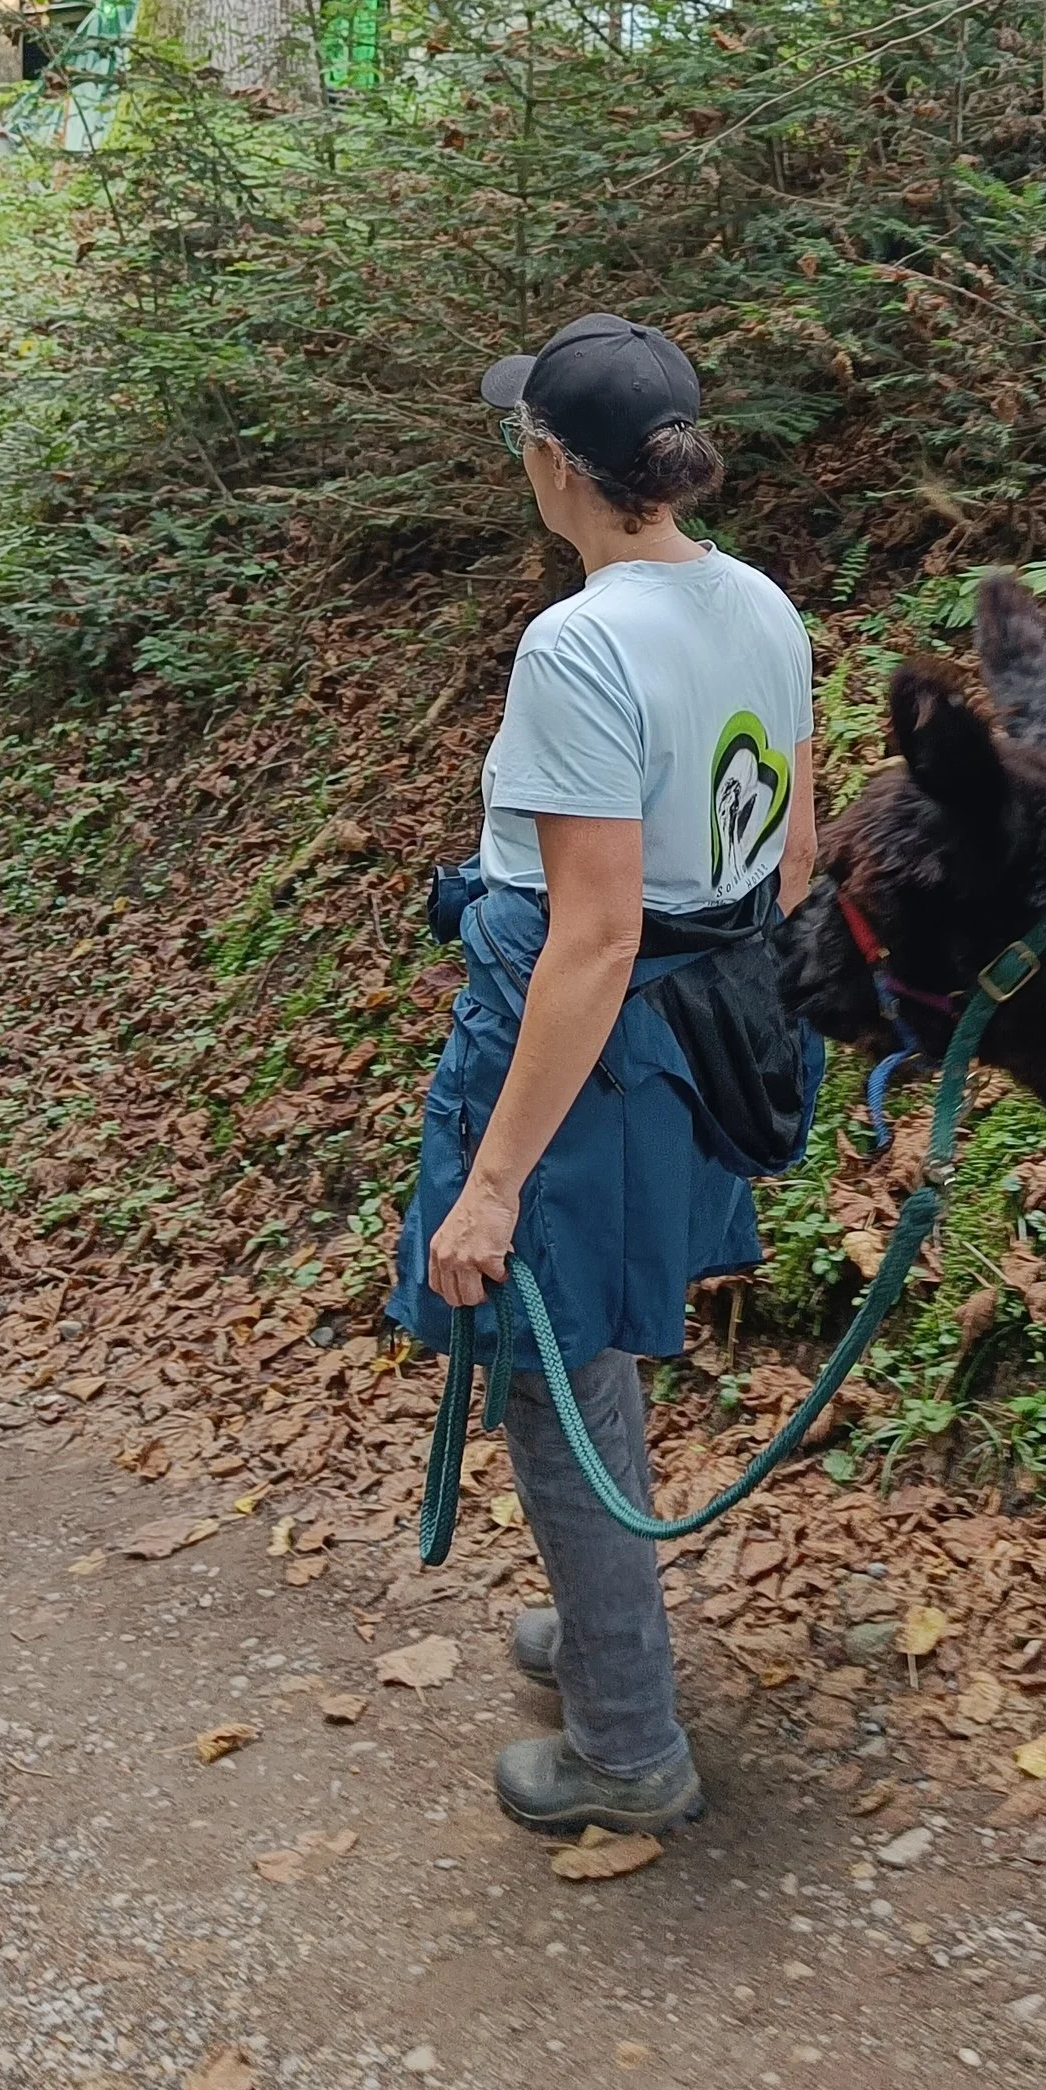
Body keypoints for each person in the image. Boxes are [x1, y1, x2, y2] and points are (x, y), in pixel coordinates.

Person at [387, 312, 820, 1836]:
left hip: (591, 1038)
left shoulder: (576, 643)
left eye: (525, 438)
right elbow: (792, 861)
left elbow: (591, 938)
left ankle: (629, 1744)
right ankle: (598, 1623)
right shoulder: (762, 604)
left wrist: (492, 1182)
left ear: (558, 465)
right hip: (711, 1026)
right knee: (598, 1339)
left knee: (546, 1354)